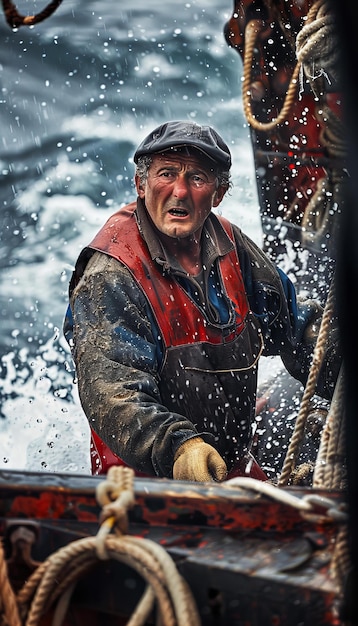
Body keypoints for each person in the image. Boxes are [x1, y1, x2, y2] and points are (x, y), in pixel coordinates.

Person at [64, 120, 339, 482]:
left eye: (197, 178)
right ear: (140, 185)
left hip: (233, 468)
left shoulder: (231, 246)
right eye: (166, 174)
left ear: (218, 193)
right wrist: (180, 447)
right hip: (142, 488)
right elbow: (115, 393)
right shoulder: (111, 274)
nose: (180, 191)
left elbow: (293, 324)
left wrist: (333, 358)